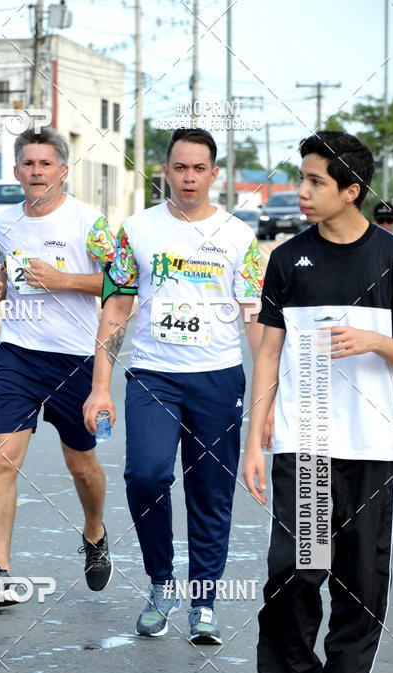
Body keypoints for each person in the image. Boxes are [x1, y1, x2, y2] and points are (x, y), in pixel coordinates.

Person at [243, 130, 393, 673]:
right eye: (302, 179)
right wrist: (256, 439)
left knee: (361, 583)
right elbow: (268, 354)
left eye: (315, 182)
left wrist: (377, 344)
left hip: (369, 447)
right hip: (302, 445)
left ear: (351, 191)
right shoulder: (287, 261)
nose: (302, 192)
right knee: (296, 572)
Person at [84, 127, 267, 644]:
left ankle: (204, 600)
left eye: (198, 168)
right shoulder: (137, 230)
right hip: (153, 376)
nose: (189, 177)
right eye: (179, 167)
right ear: (165, 170)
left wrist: (267, 397)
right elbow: (116, 307)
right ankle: (161, 583)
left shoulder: (237, 236)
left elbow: (254, 321)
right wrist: (101, 388)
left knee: (210, 491)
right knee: (145, 476)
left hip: (217, 378)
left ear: (214, 173)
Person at [0, 126, 115, 606]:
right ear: (17, 172)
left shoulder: (89, 222)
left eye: (45, 164)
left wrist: (64, 279)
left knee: (81, 465)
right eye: (28, 164)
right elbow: (10, 271)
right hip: (17, 353)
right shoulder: (5, 221)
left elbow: (121, 287)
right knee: (1, 463)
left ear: (63, 170)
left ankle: (94, 531)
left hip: (74, 359)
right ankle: (0, 570)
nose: (37, 172)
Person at [372, 201, 393, 406]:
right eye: (381, 220)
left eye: (389, 220)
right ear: (374, 220)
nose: (385, 224)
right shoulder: (368, 240)